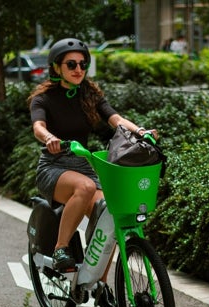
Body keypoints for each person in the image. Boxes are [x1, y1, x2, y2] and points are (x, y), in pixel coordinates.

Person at [29, 38, 158, 272]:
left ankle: (99, 283)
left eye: (82, 64)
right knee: (86, 188)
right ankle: (61, 248)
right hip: (54, 166)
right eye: (71, 64)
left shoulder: (90, 94)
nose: (78, 69)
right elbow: (38, 126)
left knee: (109, 213)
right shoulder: (44, 98)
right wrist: (49, 138)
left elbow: (116, 120)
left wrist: (140, 131)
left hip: (84, 166)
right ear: (57, 67)